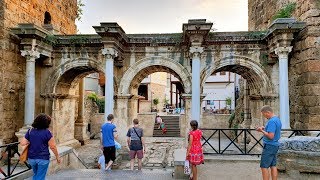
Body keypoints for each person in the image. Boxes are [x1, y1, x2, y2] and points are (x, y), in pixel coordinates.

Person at [20, 113, 61, 180]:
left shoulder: (30, 131)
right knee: (40, 177)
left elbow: (22, 143)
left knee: (36, 175)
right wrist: (57, 157)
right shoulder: (48, 133)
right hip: (43, 158)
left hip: (31, 158)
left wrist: (32, 140)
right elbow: (53, 147)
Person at [256, 106, 282, 180]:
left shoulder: (271, 121)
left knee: (264, 167)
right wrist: (265, 128)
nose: (264, 116)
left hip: (269, 146)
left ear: (268, 112)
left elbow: (270, 136)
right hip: (275, 145)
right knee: (273, 165)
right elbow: (274, 130)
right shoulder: (277, 119)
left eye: (264, 114)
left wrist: (261, 131)